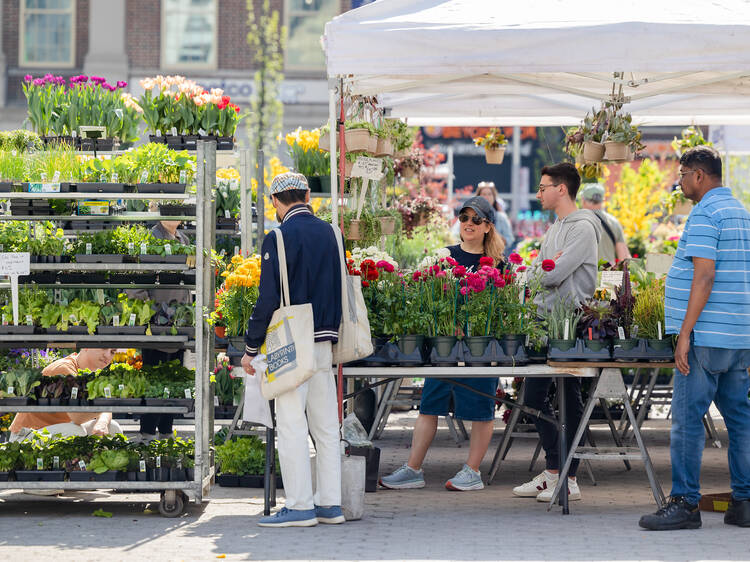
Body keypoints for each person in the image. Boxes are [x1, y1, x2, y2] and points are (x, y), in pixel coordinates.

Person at [639, 146, 750, 531]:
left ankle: (685, 504)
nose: (680, 182)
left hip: (706, 336)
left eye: (683, 174)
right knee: (740, 421)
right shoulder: (741, 212)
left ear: (699, 175)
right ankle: (744, 502)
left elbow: (704, 277)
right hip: (737, 335)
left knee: (687, 421)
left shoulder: (706, 213)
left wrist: (684, 333)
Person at [380, 195, 505, 492]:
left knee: (481, 407)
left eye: (476, 220)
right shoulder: (445, 257)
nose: (469, 224)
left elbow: (502, 306)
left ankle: (472, 471)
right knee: (429, 405)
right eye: (464, 218)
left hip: (480, 346)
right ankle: (413, 469)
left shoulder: (499, 264)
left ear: (488, 226)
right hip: (444, 344)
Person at [241, 172, 343, 528]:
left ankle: (300, 506)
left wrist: (251, 346)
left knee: (291, 424)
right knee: (327, 426)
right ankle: (331, 503)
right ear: (308, 195)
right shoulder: (332, 232)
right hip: (325, 342)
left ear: (275, 202)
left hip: (291, 344)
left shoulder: (278, 237)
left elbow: (267, 298)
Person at [512, 162, 600, 503]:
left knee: (569, 396)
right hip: (545, 324)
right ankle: (554, 471)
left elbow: (548, 275)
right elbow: (539, 269)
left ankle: (569, 476)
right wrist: (544, 267)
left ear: (561, 189)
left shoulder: (582, 228)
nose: (538, 193)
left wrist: (545, 268)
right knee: (533, 399)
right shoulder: (556, 228)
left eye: (543, 186)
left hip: (570, 325)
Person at [131, 219, 190, 442]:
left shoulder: (184, 240)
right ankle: (147, 435)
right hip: (156, 327)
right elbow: (136, 284)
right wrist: (154, 313)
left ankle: (166, 434)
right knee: (153, 380)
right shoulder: (150, 238)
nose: (175, 215)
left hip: (178, 327)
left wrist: (185, 314)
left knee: (173, 380)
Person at [9, 348, 121, 441]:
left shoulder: (93, 375)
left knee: (112, 427)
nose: (107, 355)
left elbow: (105, 409)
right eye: (104, 348)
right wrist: (108, 403)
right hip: (25, 436)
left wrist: (102, 421)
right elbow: (77, 417)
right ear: (86, 346)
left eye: (112, 352)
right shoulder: (65, 369)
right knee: (76, 432)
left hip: (58, 429)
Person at [452, 182, 515, 253]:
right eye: (484, 194)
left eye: (489, 194)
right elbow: (454, 234)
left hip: (494, 256)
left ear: (494, 197)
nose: (487, 197)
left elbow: (510, 239)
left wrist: (495, 236)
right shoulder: (466, 214)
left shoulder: (501, 217)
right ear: (478, 196)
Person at [580, 183, 631, 264]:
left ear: (583, 200)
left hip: (586, 274)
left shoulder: (577, 221)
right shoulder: (614, 222)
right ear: (603, 200)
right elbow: (624, 257)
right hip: (609, 274)